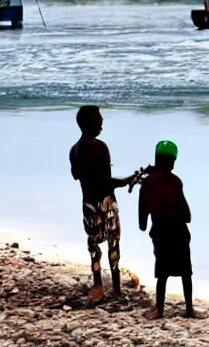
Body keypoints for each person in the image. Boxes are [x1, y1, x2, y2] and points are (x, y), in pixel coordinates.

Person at [69, 105, 134, 300]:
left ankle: (98, 283)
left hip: (88, 202)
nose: (102, 122)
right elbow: (104, 180)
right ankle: (115, 287)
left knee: (94, 244)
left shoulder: (74, 149)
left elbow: (76, 175)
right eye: (99, 118)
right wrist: (127, 180)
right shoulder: (99, 146)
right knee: (113, 243)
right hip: (105, 202)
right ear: (90, 123)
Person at [139, 141, 195, 319]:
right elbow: (187, 216)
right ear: (172, 161)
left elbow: (142, 220)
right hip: (179, 231)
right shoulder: (175, 182)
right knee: (186, 273)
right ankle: (190, 309)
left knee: (162, 273)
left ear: (156, 159)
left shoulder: (147, 184)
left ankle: (159, 309)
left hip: (160, 232)